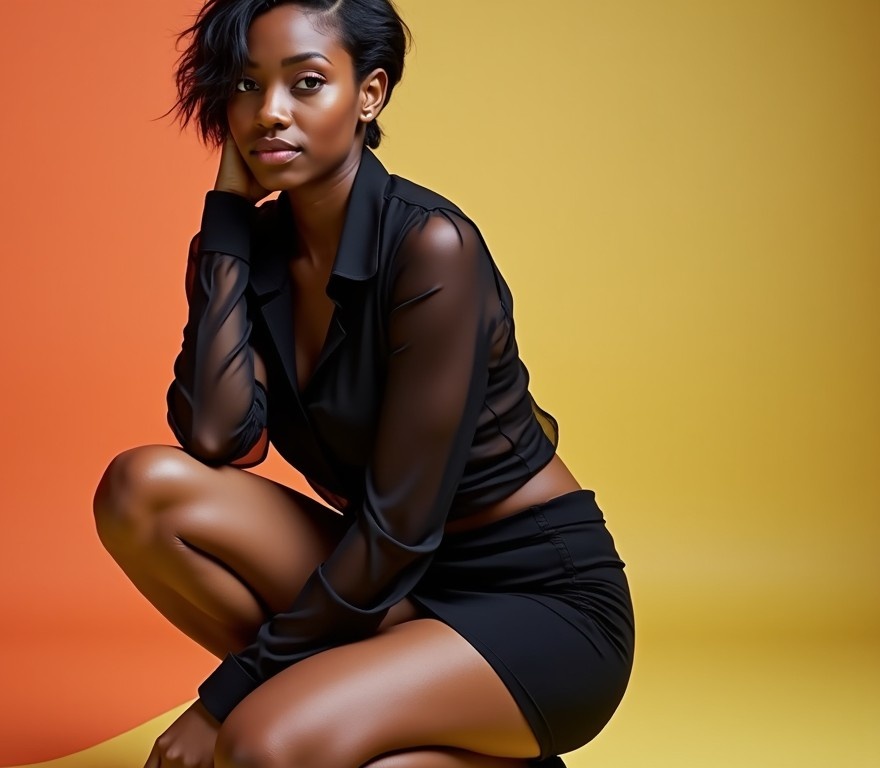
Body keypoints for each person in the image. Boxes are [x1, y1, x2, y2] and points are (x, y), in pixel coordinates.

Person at [92, 1, 635, 766]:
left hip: (533, 603)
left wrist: (226, 698)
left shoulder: (431, 247)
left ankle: (385, 717)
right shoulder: (258, 249)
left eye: (306, 83)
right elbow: (219, 436)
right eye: (246, 87)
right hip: (391, 586)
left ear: (370, 94)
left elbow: (400, 526)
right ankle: (383, 715)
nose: (270, 113)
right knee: (139, 491)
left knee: (258, 745)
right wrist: (224, 226)